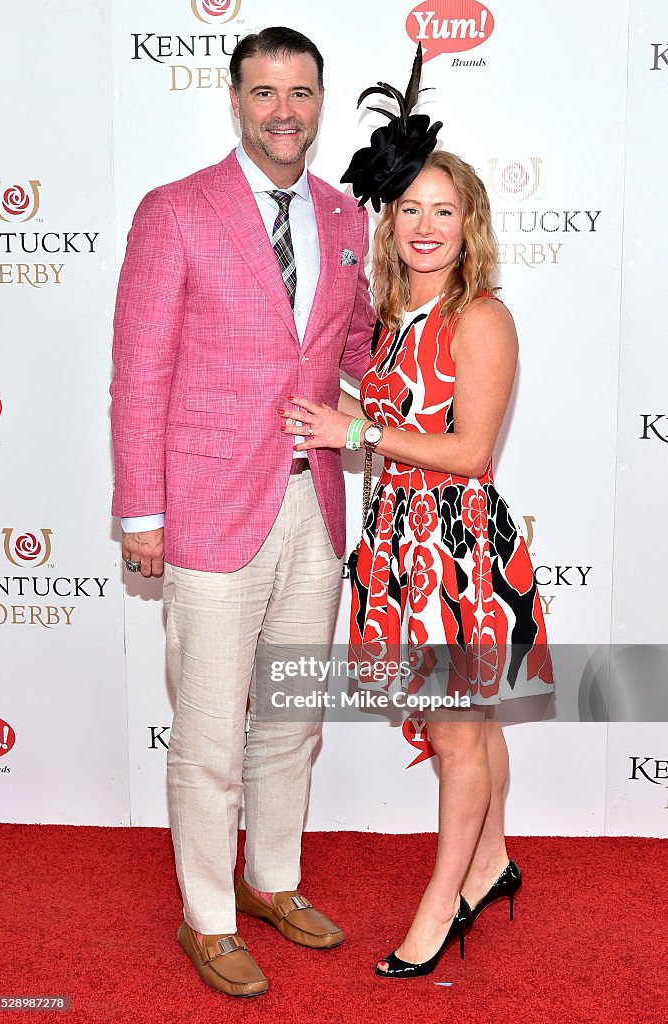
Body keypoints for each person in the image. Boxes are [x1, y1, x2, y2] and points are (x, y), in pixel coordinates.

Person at [110, 27, 374, 998]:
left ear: (319, 101)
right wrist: (141, 509)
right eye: (263, 92)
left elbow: (359, 344)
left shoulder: (347, 216)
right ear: (235, 100)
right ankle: (208, 916)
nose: (282, 111)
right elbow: (139, 375)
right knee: (213, 730)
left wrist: (438, 356)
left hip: (317, 509)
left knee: (293, 717)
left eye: (299, 92)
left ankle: (273, 881)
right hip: (213, 507)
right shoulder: (175, 211)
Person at [280, 47, 553, 980]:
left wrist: (357, 430)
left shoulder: (481, 318)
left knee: (456, 730)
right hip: (401, 545)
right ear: (388, 222)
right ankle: (492, 863)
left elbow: (470, 454)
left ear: (468, 224)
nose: (425, 226)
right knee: (467, 729)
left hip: (457, 550)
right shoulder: (397, 319)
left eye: (445, 211)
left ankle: (443, 904)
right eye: (410, 210)